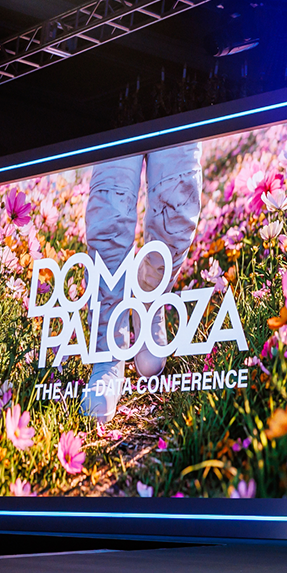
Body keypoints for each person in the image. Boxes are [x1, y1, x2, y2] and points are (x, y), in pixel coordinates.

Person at [80, 143, 202, 423]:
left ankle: (149, 297)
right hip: (117, 102)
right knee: (109, 213)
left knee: (178, 205)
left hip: (177, 101)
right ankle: (108, 349)